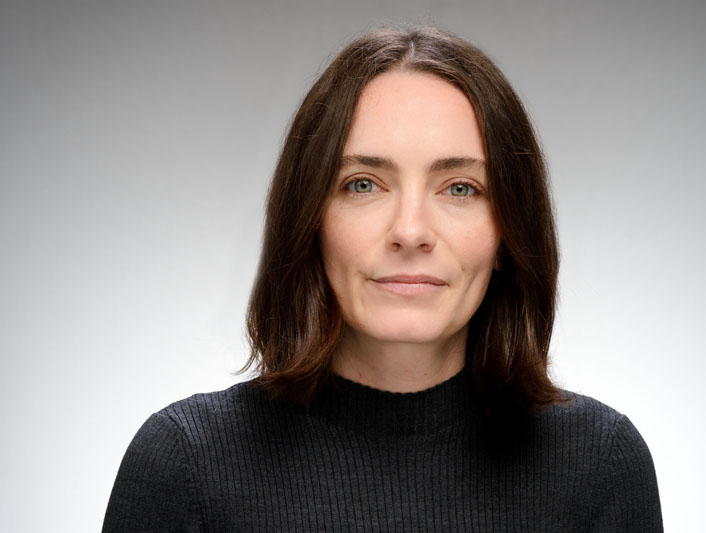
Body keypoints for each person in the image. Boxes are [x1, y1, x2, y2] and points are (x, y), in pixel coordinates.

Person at [103, 26, 663, 532]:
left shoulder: (601, 467)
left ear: (508, 236)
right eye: (364, 184)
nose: (411, 231)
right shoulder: (184, 463)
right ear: (311, 220)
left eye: (461, 188)